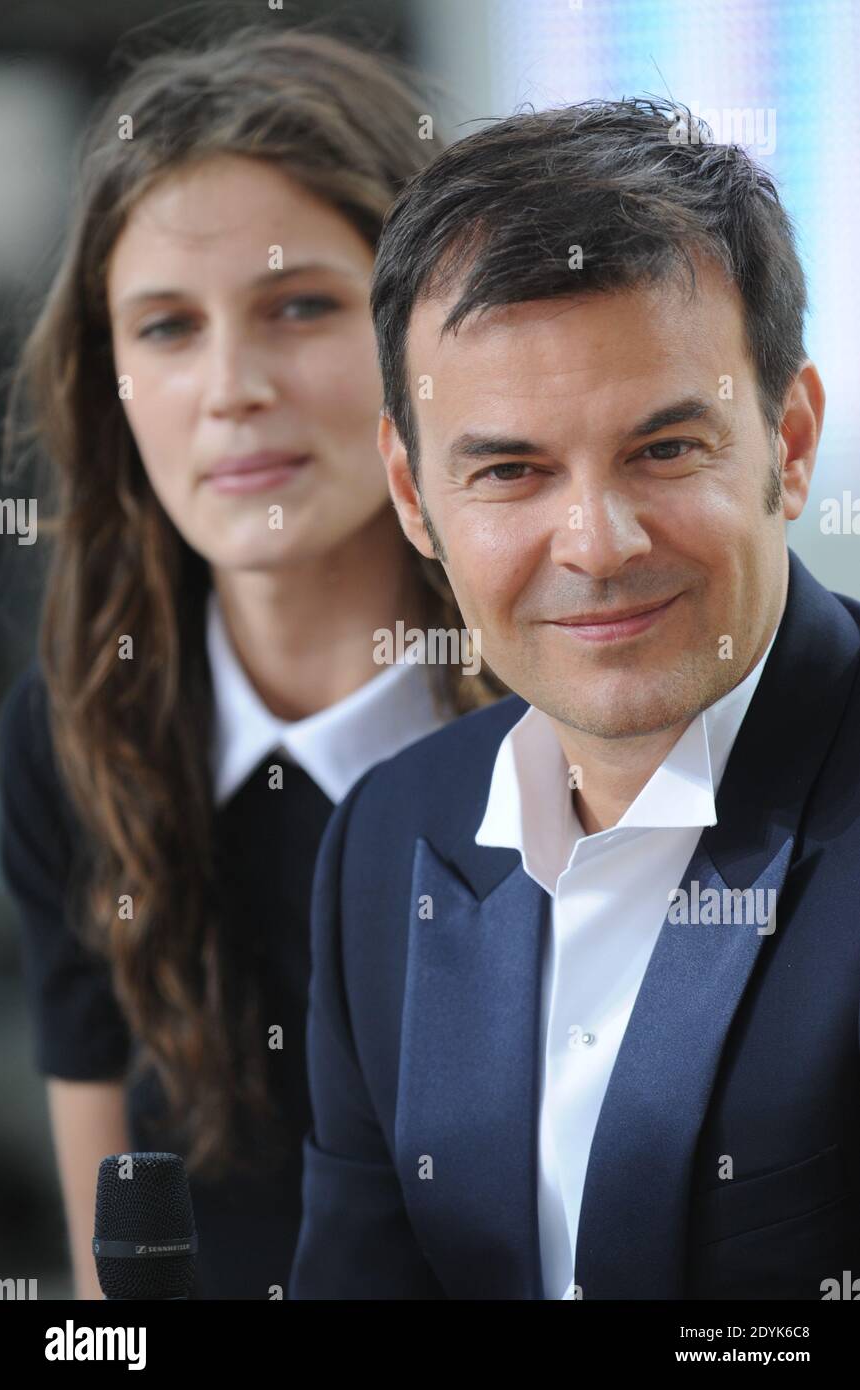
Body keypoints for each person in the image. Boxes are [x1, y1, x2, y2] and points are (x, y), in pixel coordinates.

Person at [289, 98, 860, 1301]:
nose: (595, 545)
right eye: (510, 470)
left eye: (663, 450)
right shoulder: (386, 843)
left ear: (789, 440)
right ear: (411, 492)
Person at [0, 24, 503, 1300]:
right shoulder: (76, 740)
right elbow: (110, 1281)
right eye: (166, 327)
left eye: (300, 306)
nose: (232, 385)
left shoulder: (579, 723)